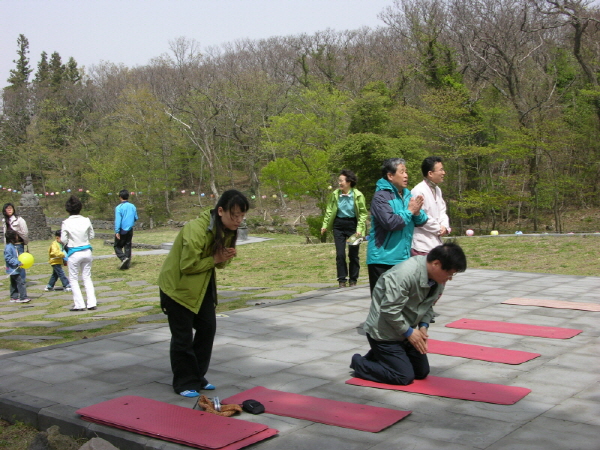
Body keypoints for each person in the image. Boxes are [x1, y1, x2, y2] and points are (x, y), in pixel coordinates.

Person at [158, 189, 250, 398]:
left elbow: (218, 265)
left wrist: (225, 257)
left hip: (201, 287)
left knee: (207, 330)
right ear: (220, 211)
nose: (238, 220)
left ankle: (197, 376)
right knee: (182, 338)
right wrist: (216, 259)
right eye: (234, 215)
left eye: (242, 216)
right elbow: (187, 265)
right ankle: (183, 382)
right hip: (177, 288)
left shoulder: (226, 230)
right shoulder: (196, 229)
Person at [351, 242, 467, 385]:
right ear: (436, 264)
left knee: (421, 372)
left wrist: (423, 326)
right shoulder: (404, 275)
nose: (450, 278)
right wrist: (409, 332)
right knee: (403, 376)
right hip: (383, 333)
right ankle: (359, 362)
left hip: (405, 331)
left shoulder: (436, 279)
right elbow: (389, 310)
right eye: (449, 273)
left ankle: (379, 356)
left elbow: (428, 305)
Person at [366, 158, 427, 294]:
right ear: (390, 176)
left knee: (400, 301)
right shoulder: (380, 197)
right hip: (382, 260)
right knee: (383, 304)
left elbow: (421, 220)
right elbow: (391, 223)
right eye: (402, 172)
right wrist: (410, 211)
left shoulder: (407, 194)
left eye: (406, 172)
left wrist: (417, 213)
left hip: (403, 258)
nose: (406, 175)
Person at [321, 170, 368, 288]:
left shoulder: (358, 195)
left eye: (341, 180)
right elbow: (329, 210)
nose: (339, 183)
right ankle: (342, 280)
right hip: (339, 225)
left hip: (353, 225)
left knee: (353, 254)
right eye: (339, 181)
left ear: (349, 182)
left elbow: (363, 213)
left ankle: (353, 280)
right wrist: (325, 225)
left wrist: (359, 228)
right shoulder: (335, 194)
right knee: (340, 254)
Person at [61, 195, 97, 312]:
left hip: (74, 252)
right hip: (87, 251)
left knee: (74, 279)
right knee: (87, 277)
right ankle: (92, 303)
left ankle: (79, 304)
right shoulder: (86, 220)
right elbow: (92, 235)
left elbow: (63, 239)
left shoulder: (66, 222)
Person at [411, 156, 450, 255]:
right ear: (430, 173)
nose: (443, 173)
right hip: (422, 246)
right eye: (441, 170)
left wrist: (444, 226)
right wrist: (438, 228)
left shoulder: (437, 190)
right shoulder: (418, 191)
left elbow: (442, 211)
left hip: (436, 244)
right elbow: (420, 215)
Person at [2, 203, 29, 280]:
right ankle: (14, 280)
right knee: (11, 262)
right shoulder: (4, 220)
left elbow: (25, 232)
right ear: (4, 210)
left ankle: (22, 280)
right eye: (7, 208)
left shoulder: (19, 219)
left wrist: (25, 241)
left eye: (11, 208)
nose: (9, 210)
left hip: (18, 244)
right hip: (9, 244)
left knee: (20, 262)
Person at [4, 229, 31, 303]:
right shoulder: (9, 247)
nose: (17, 237)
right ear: (13, 237)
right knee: (20, 282)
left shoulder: (13, 246)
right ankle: (23, 297)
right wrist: (18, 263)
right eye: (16, 236)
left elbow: (16, 256)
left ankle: (14, 297)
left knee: (13, 283)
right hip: (13, 269)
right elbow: (8, 258)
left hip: (14, 269)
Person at [114, 189, 138, 270]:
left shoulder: (119, 208)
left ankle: (124, 258)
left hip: (122, 229)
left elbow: (118, 220)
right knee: (128, 246)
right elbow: (136, 218)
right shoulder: (133, 206)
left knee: (117, 246)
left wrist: (117, 231)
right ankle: (127, 264)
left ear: (120, 197)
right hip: (130, 229)